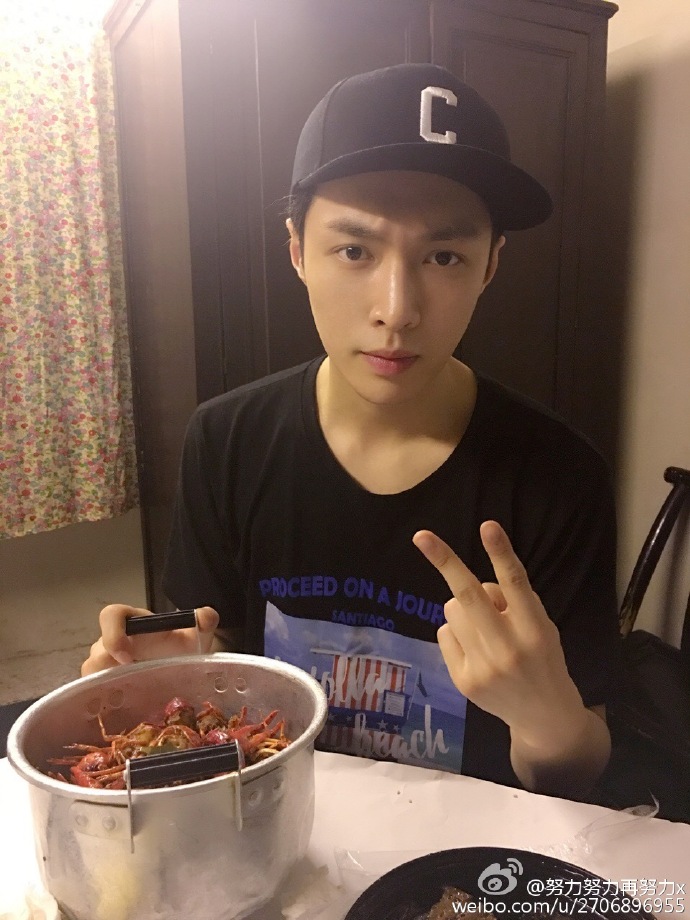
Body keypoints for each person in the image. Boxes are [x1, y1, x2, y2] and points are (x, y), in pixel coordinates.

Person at [82, 63, 618, 797]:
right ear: (297, 250)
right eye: (355, 250)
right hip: (278, 823)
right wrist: (172, 670)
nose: (397, 310)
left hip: (463, 855)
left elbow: (579, 768)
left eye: (444, 256)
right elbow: (221, 651)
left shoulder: (561, 475)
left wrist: (548, 719)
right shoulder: (228, 440)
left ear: (491, 265)